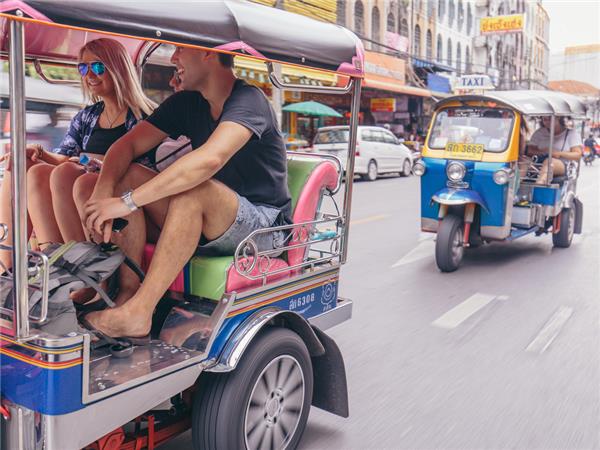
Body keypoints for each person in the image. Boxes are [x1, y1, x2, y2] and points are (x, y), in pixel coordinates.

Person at [79, 46, 291, 340]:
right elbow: (125, 147)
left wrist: (126, 203)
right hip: (217, 220)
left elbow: (209, 160)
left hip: (265, 228)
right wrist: (104, 194)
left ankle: (141, 312)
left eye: (180, 49)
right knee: (127, 175)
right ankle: (127, 292)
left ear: (208, 52)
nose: (173, 59)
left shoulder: (249, 100)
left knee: (195, 190)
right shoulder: (188, 102)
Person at [0, 38, 156, 287]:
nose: (89, 75)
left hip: (122, 195)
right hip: (77, 181)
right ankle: (11, 268)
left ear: (117, 68)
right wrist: (37, 152)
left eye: (97, 67)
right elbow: (66, 155)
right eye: (83, 68)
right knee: (28, 167)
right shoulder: (87, 116)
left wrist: (89, 161)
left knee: (65, 174)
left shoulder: (144, 117)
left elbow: (142, 168)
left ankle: (82, 273)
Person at [527, 116, 583, 184]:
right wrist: (545, 152)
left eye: (550, 119)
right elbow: (530, 151)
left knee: (549, 162)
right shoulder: (539, 133)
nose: (547, 122)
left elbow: (577, 155)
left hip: (562, 164)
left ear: (558, 117)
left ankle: (539, 185)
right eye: (545, 119)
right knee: (522, 161)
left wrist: (559, 153)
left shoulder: (571, 134)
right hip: (539, 160)